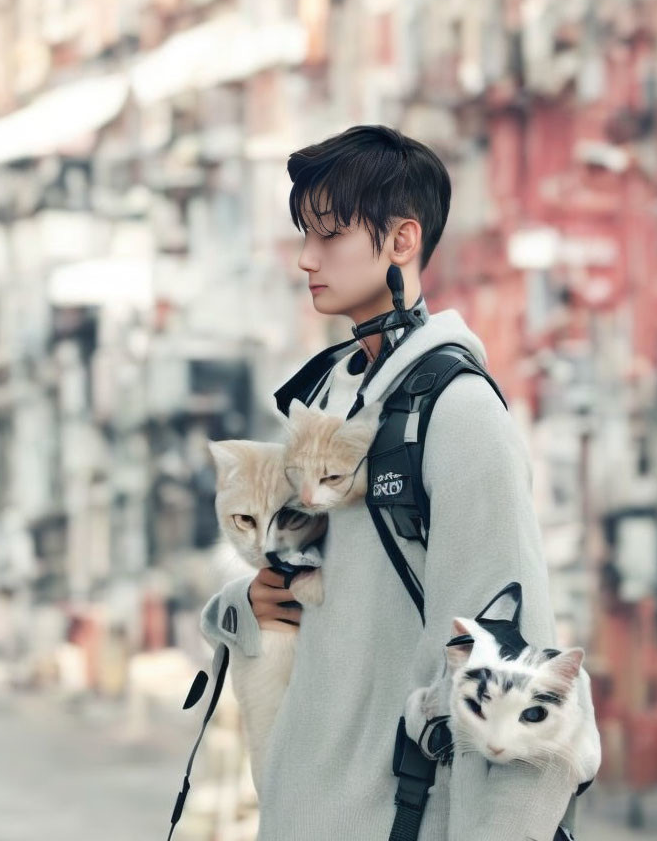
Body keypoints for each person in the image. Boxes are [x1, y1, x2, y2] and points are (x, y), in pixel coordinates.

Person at [200, 125, 575, 840]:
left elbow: (509, 657)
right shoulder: (330, 402)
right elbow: (327, 605)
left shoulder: (458, 412)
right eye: (304, 234)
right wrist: (250, 601)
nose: (307, 258)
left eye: (331, 235)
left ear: (403, 242)